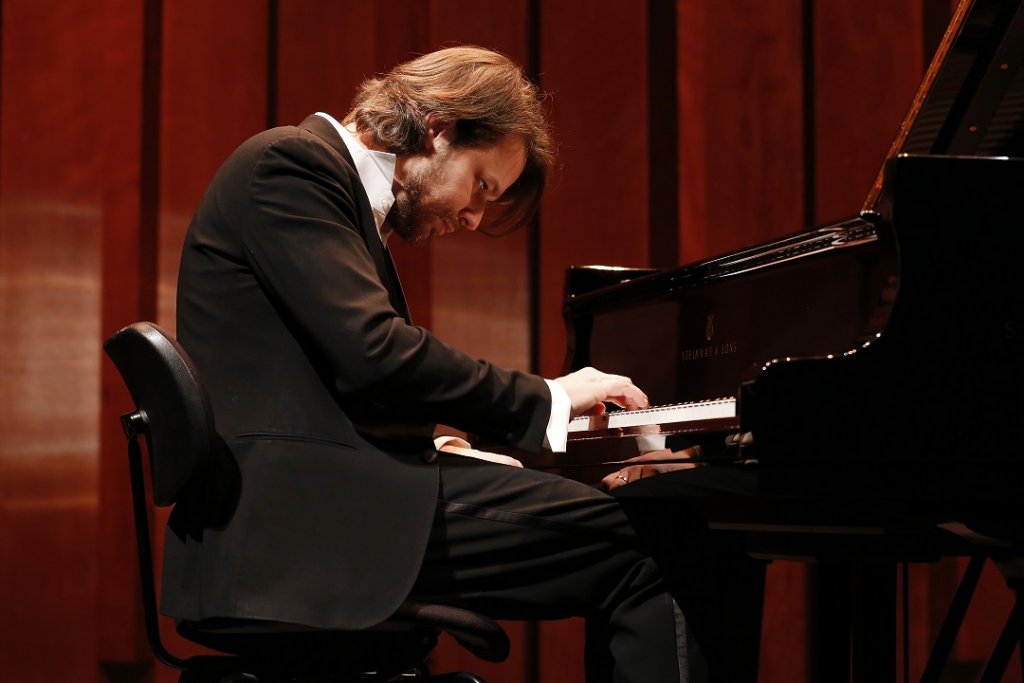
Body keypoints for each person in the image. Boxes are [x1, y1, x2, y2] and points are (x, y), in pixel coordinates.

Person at [169, 45, 706, 682]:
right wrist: (549, 398)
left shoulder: (328, 189)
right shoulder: (290, 165)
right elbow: (376, 353)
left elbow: (326, 374)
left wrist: (438, 442)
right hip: (302, 522)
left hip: (311, 503)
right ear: (440, 127)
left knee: (652, 535)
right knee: (667, 542)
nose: (475, 217)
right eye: (482, 185)